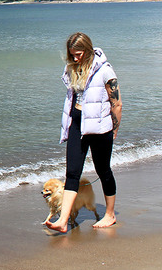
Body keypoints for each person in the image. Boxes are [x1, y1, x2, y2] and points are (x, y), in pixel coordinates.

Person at [44, 32, 123, 233]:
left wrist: (114, 130)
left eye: (78, 54)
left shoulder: (105, 70)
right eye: (72, 55)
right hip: (77, 126)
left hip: (100, 128)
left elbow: (117, 104)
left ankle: (110, 214)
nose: (75, 58)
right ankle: (63, 220)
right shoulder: (72, 68)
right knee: (72, 172)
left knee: (103, 170)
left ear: (87, 50)